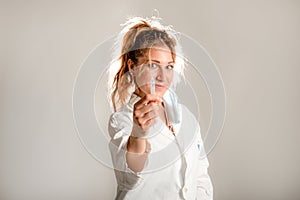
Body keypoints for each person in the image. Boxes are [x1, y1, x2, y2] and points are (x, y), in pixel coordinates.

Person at [107, 16, 213, 200]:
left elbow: (201, 177)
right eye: (153, 65)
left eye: (169, 67)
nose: (163, 77)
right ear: (132, 67)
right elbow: (130, 177)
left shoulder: (186, 118)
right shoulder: (122, 120)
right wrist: (138, 134)